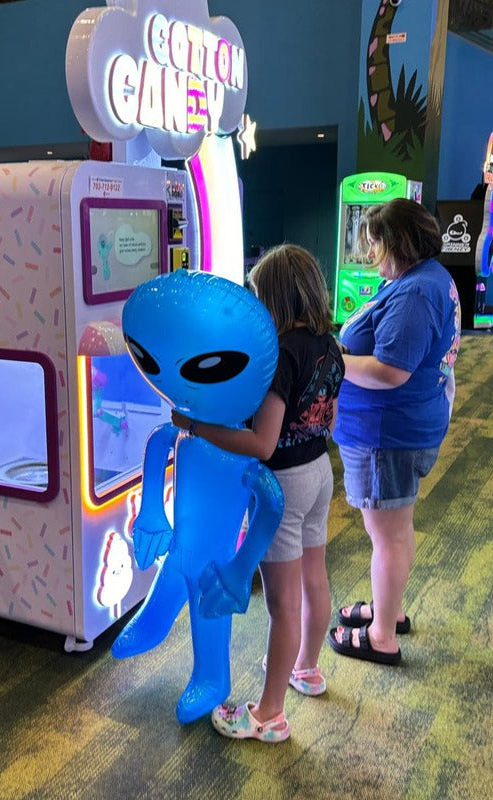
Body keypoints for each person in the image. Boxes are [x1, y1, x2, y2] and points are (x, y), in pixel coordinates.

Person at [172, 244, 345, 743]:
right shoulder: (329, 345)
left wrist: (196, 426)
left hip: (283, 487)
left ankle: (270, 715)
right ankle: (306, 667)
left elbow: (262, 444)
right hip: (319, 472)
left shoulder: (280, 357)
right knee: (314, 579)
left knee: (282, 604)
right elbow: (327, 419)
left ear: (273, 298)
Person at [328, 197, 461, 666]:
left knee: (387, 534)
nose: (369, 254)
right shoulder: (425, 279)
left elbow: (390, 371)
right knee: (395, 529)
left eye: (375, 244)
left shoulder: (415, 293)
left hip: (388, 433)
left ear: (398, 243)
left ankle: (381, 635)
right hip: (399, 427)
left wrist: (333, 360)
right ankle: (389, 609)